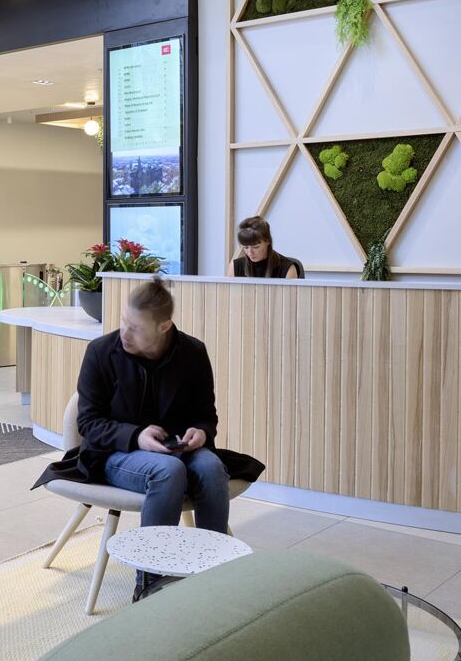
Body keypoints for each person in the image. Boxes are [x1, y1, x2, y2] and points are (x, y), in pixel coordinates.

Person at [36, 276, 263, 601]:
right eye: (123, 322)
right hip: (114, 452)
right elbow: (88, 423)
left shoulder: (193, 353)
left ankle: (211, 573)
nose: (125, 333)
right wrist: (137, 436)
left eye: (136, 328)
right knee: (167, 472)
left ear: (164, 326)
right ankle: (149, 586)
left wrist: (201, 431)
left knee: (212, 468)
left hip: (178, 448)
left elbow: (205, 413)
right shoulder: (101, 352)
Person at [232, 215, 301, 278]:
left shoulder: (288, 269)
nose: (250, 253)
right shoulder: (234, 267)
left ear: (268, 241)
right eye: (245, 247)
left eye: (256, 247)